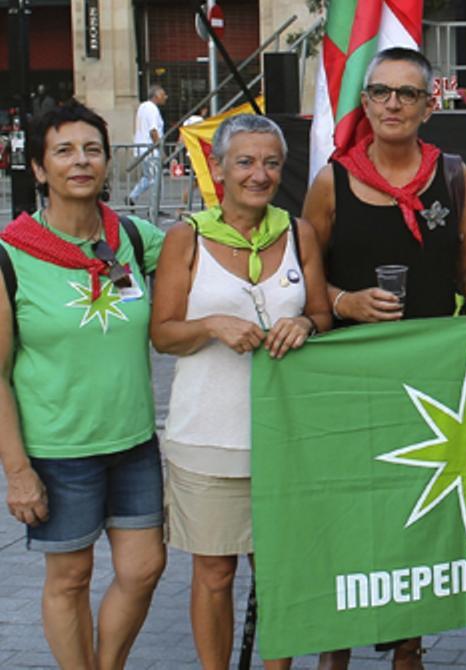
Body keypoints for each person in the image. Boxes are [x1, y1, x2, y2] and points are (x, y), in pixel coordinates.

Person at [301, 46, 466, 669]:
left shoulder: (454, 173)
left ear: (428, 105)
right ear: (364, 103)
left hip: (430, 379)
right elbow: (300, 280)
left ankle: (409, 646)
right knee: (351, 513)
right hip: (351, 378)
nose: (392, 103)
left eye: (406, 93)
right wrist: (343, 300)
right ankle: (337, 647)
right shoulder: (332, 181)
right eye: (381, 92)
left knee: (420, 517)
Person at [150, 114, 332, 670]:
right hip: (207, 433)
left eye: (271, 162)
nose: (259, 174)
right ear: (220, 167)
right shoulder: (187, 237)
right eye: (246, 161)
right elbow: (162, 334)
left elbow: (322, 313)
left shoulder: (299, 233)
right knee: (214, 573)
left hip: (284, 436)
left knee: (277, 571)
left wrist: (304, 325)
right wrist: (210, 326)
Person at [0, 100, 166, 669]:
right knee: (70, 579)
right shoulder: (10, 258)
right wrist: (18, 472)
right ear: (40, 169)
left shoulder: (135, 239)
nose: (81, 161)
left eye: (93, 149)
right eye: (64, 151)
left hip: (134, 443)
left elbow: (209, 266)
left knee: (144, 570)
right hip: (58, 451)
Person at [129, 84, 167, 205]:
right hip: (151, 149)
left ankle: (132, 197)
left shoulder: (142, 107)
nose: (165, 97)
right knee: (155, 180)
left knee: (148, 177)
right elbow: (153, 130)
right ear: (156, 96)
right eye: (163, 94)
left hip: (143, 148)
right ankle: (154, 208)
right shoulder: (152, 109)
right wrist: (161, 151)